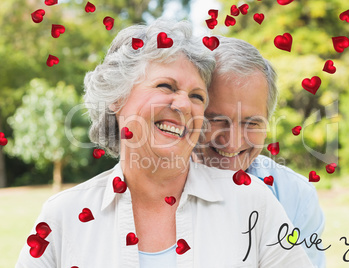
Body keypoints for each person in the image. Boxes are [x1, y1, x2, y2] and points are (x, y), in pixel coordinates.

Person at [16, 20, 313, 267]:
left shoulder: (253, 201)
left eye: (197, 96)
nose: (185, 104)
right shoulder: (63, 215)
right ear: (117, 98)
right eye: (166, 86)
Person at [194, 36, 326, 267]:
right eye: (215, 119)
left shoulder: (296, 197)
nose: (232, 143)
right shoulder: (148, 188)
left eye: (251, 123)